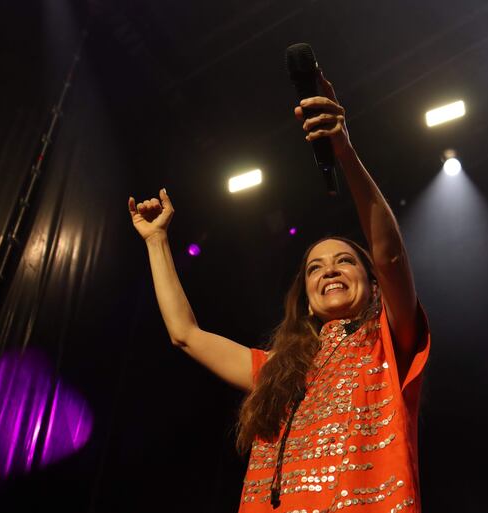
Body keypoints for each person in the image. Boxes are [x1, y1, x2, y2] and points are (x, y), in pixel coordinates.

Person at [128, 71, 430, 513]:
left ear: (373, 284)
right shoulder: (277, 371)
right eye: (315, 268)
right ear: (307, 299)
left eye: (345, 260)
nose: (329, 271)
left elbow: (390, 255)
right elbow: (184, 334)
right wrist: (156, 242)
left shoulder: (388, 341)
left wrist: (343, 150)